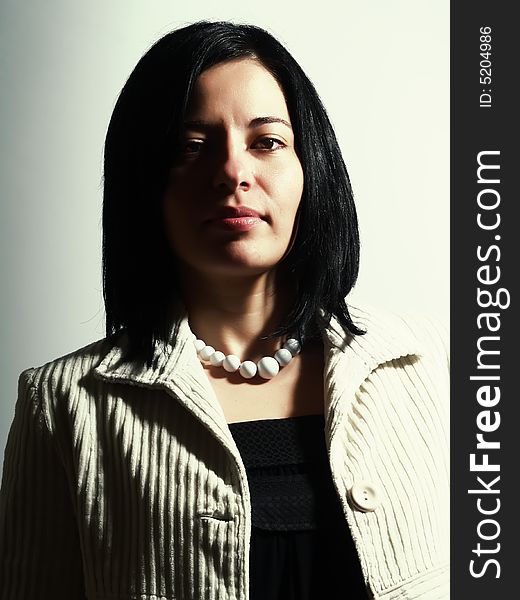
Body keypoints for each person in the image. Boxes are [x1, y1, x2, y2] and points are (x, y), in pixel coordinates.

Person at [0, 20, 449, 600]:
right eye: (191, 147)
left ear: (310, 168)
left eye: (266, 141)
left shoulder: (433, 365)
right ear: (146, 183)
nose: (234, 172)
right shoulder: (65, 405)